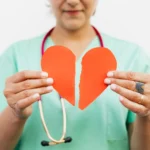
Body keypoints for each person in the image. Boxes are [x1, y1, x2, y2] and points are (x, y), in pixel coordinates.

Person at [0, 0, 150, 150]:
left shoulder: (133, 56)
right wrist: (16, 115)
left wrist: (147, 116)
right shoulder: (16, 55)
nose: (72, 1)